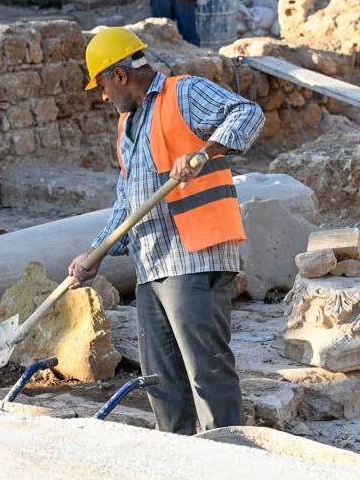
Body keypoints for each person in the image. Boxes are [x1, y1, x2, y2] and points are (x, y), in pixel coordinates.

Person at [68, 27, 264, 435]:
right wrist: (95, 253)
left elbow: (248, 114)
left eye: (102, 84)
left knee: (206, 371)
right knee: (161, 380)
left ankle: (228, 456)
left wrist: (203, 153)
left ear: (120, 75)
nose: (103, 96)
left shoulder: (184, 93)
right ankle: (174, 460)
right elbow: (128, 203)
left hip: (195, 255)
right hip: (151, 264)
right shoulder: (126, 128)